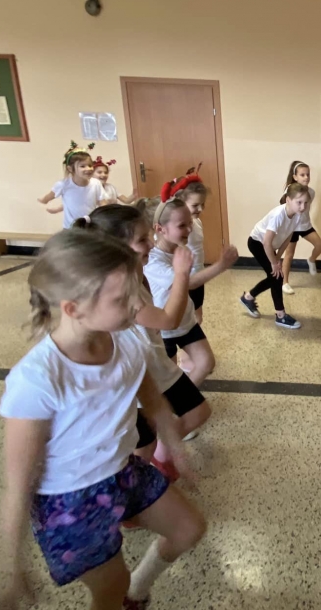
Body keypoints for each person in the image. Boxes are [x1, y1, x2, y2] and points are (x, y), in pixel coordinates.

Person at [0, 228, 207, 610]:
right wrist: (11, 564)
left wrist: (177, 448)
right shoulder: (38, 379)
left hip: (123, 472)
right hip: (69, 500)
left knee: (189, 529)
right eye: (121, 299)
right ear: (73, 308)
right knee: (109, 587)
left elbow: (154, 401)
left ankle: (137, 593)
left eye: (135, 292)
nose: (137, 305)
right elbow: (18, 482)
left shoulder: (126, 344)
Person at [74, 204, 218, 476]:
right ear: (115, 247)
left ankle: (155, 469)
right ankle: (138, 486)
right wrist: (181, 274)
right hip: (136, 373)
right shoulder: (118, 289)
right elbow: (167, 320)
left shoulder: (135, 274)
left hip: (154, 364)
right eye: (142, 239)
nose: (151, 243)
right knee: (144, 445)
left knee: (195, 413)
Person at [144, 197, 237, 391]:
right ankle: (175, 404)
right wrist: (220, 266)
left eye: (190, 224)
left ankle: (183, 400)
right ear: (160, 229)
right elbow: (187, 283)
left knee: (206, 363)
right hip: (164, 329)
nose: (188, 229)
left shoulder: (179, 250)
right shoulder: (153, 260)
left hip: (185, 321)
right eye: (181, 225)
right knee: (167, 378)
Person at [239, 183, 309, 329]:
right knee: (277, 276)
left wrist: (277, 259)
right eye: (299, 202)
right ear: (288, 200)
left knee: (274, 275)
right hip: (257, 243)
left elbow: (287, 238)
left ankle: (248, 297)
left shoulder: (298, 215)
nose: (303, 207)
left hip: (269, 246)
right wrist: (273, 263)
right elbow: (266, 242)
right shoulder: (279, 215)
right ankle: (280, 316)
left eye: (305, 202)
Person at [165, 170, 209, 324]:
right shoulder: (176, 228)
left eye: (202, 204)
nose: (200, 209)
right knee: (184, 317)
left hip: (198, 274)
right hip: (184, 277)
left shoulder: (196, 222)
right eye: (195, 205)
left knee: (198, 316)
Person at [279, 161, 321, 295]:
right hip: (291, 227)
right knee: (289, 254)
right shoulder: (290, 190)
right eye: (302, 175)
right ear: (295, 177)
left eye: (308, 174)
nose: (306, 177)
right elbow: (284, 206)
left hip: (304, 225)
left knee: (320, 245)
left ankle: (311, 260)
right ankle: (285, 283)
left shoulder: (311, 192)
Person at [37, 143, 106, 229]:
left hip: (90, 226)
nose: (88, 169)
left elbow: (102, 203)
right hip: (70, 228)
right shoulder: (63, 185)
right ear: (70, 169)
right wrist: (44, 200)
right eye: (82, 166)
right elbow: (50, 196)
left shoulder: (96, 183)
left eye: (90, 165)